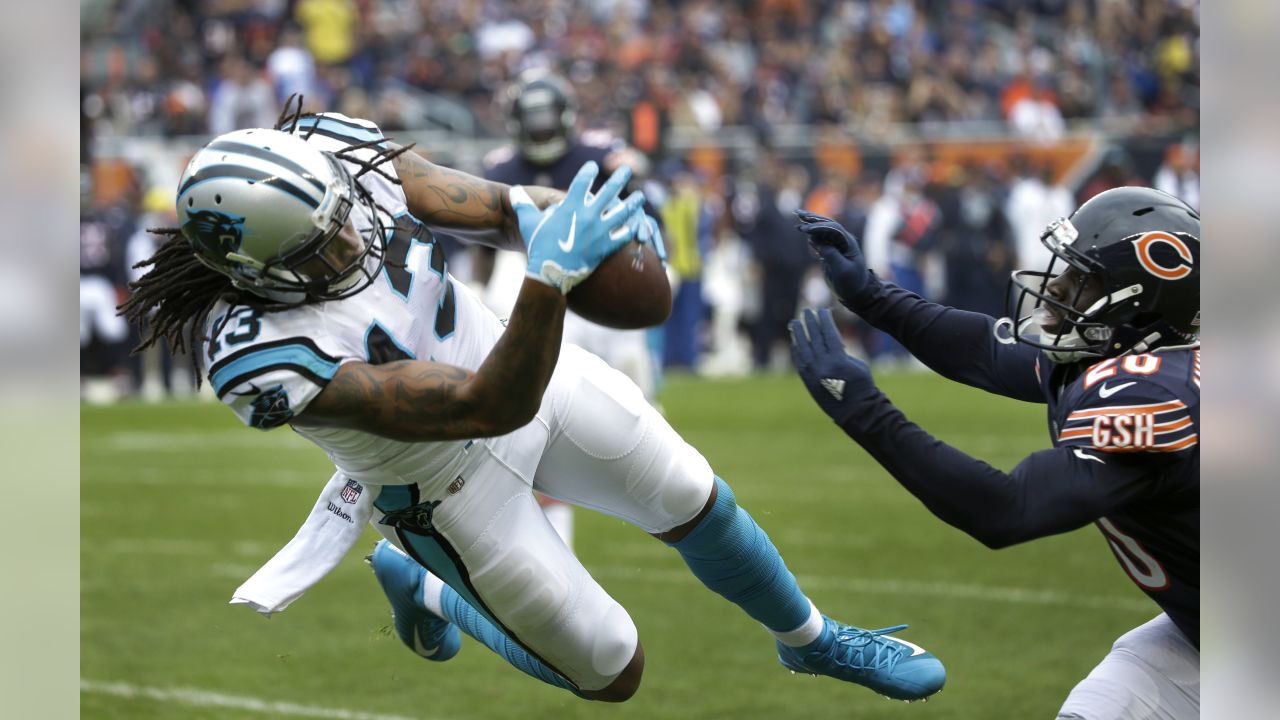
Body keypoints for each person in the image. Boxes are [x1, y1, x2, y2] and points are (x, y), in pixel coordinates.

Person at [120, 102, 946, 703]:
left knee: (693, 493)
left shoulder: (340, 156)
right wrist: (549, 280)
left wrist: (577, 224)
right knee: (611, 668)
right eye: (322, 245)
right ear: (257, 271)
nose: (353, 238)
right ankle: (425, 582)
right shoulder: (257, 355)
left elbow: (486, 205)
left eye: (342, 215)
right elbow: (482, 407)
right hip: (444, 482)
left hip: (521, 368)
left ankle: (812, 640)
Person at [788, 186, 1199, 718]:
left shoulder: (1158, 395)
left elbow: (1007, 510)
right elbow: (984, 349)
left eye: (1082, 278)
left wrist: (865, 411)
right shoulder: (1118, 355)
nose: (1058, 286)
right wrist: (868, 294)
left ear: (1140, 303)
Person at [478, 68, 664, 545]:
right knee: (546, 390)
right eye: (532, 123)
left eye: (546, 121)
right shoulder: (500, 169)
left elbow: (644, 202)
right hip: (541, 286)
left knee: (631, 376)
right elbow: (483, 249)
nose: (540, 132)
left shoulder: (601, 156)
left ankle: (645, 456)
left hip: (603, 285)